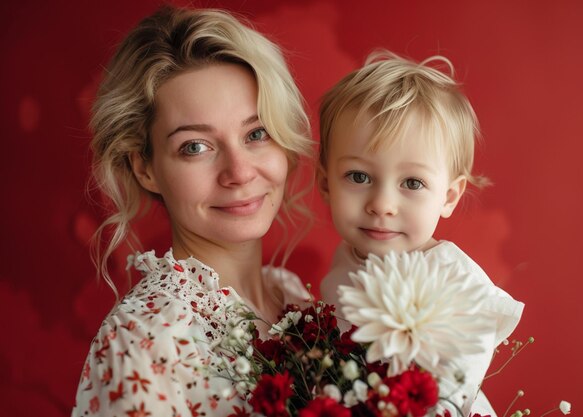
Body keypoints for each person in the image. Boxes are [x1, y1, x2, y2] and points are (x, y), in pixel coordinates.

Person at [72, 6, 313, 416]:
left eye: (256, 133)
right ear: (144, 167)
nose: (238, 172)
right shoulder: (142, 340)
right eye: (195, 147)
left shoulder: (292, 295)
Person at [317, 51, 524, 416]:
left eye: (412, 182)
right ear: (325, 183)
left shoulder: (453, 279)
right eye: (359, 176)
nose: (382, 204)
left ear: (448, 197)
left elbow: (455, 386)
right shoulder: (346, 258)